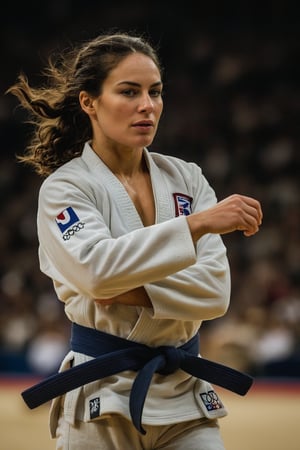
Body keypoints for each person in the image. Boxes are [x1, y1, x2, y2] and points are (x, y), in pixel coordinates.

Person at [7, 31, 262, 450]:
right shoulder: (65, 188)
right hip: (101, 394)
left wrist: (124, 288)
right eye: (129, 91)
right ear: (89, 101)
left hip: (185, 393)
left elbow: (216, 292)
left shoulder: (187, 178)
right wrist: (195, 227)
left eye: (155, 92)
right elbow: (97, 271)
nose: (148, 105)